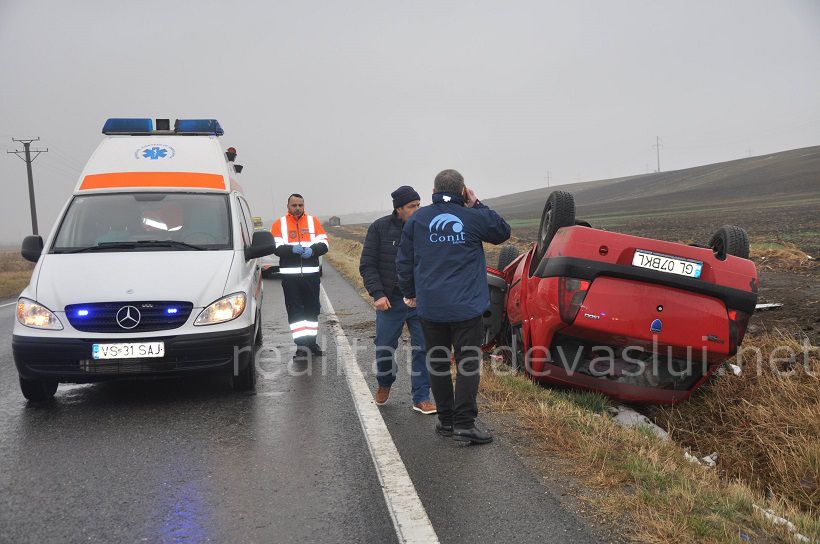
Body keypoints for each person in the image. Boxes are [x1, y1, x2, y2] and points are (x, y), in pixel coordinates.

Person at [396, 170, 511, 444]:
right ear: (463, 191)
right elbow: (503, 232)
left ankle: (446, 422)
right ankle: (464, 425)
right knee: (467, 364)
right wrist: (477, 204)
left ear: (433, 190)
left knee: (437, 362)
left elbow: (403, 261)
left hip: (431, 309)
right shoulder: (473, 217)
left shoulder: (418, 219)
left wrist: (410, 293)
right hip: (466, 309)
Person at [359, 186, 436, 415]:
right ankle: (385, 381)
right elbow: (367, 265)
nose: (417, 210)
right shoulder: (379, 228)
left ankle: (421, 397)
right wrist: (378, 294)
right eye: (412, 206)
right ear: (399, 208)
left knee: (422, 348)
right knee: (384, 347)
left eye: (419, 205)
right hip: (390, 301)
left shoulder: (425, 227)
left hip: (419, 300)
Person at [271, 194, 329, 358]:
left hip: (311, 277)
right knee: (296, 313)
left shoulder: (313, 222)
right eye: (294, 205)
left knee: (312, 311)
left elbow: (324, 244)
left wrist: (313, 250)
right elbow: (275, 247)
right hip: (291, 279)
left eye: (300, 205)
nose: (297, 208)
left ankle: (312, 343)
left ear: (304, 206)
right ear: (288, 206)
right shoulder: (279, 224)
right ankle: (301, 347)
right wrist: (290, 250)